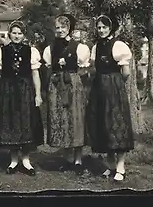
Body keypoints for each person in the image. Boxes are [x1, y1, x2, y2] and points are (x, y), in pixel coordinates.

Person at [0, 21, 44, 176]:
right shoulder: (1, 51)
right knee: (11, 122)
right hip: (7, 90)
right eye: (14, 32)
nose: (17, 36)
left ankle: (26, 161)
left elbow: (35, 74)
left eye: (20, 33)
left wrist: (38, 94)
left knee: (26, 122)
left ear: (24, 35)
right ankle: (14, 161)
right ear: (9, 34)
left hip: (25, 89)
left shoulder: (31, 51)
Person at [86, 14, 134, 182]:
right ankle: (110, 166)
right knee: (103, 126)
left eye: (104, 27)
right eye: (99, 27)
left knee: (116, 126)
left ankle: (121, 167)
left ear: (110, 28)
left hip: (114, 88)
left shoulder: (119, 45)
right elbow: (94, 69)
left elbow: (126, 73)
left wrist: (117, 85)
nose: (101, 30)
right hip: (99, 90)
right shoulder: (96, 47)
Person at [43, 14, 91, 174]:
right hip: (56, 85)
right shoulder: (50, 49)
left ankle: (78, 160)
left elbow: (83, 70)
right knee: (61, 120)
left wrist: (78, 84)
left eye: (63, 27)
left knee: (75, 120)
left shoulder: (79, 47)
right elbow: (49, 67)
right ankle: (67, 159)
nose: (60, 30)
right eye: (57, 27)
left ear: (69, 28)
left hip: (73, 84)